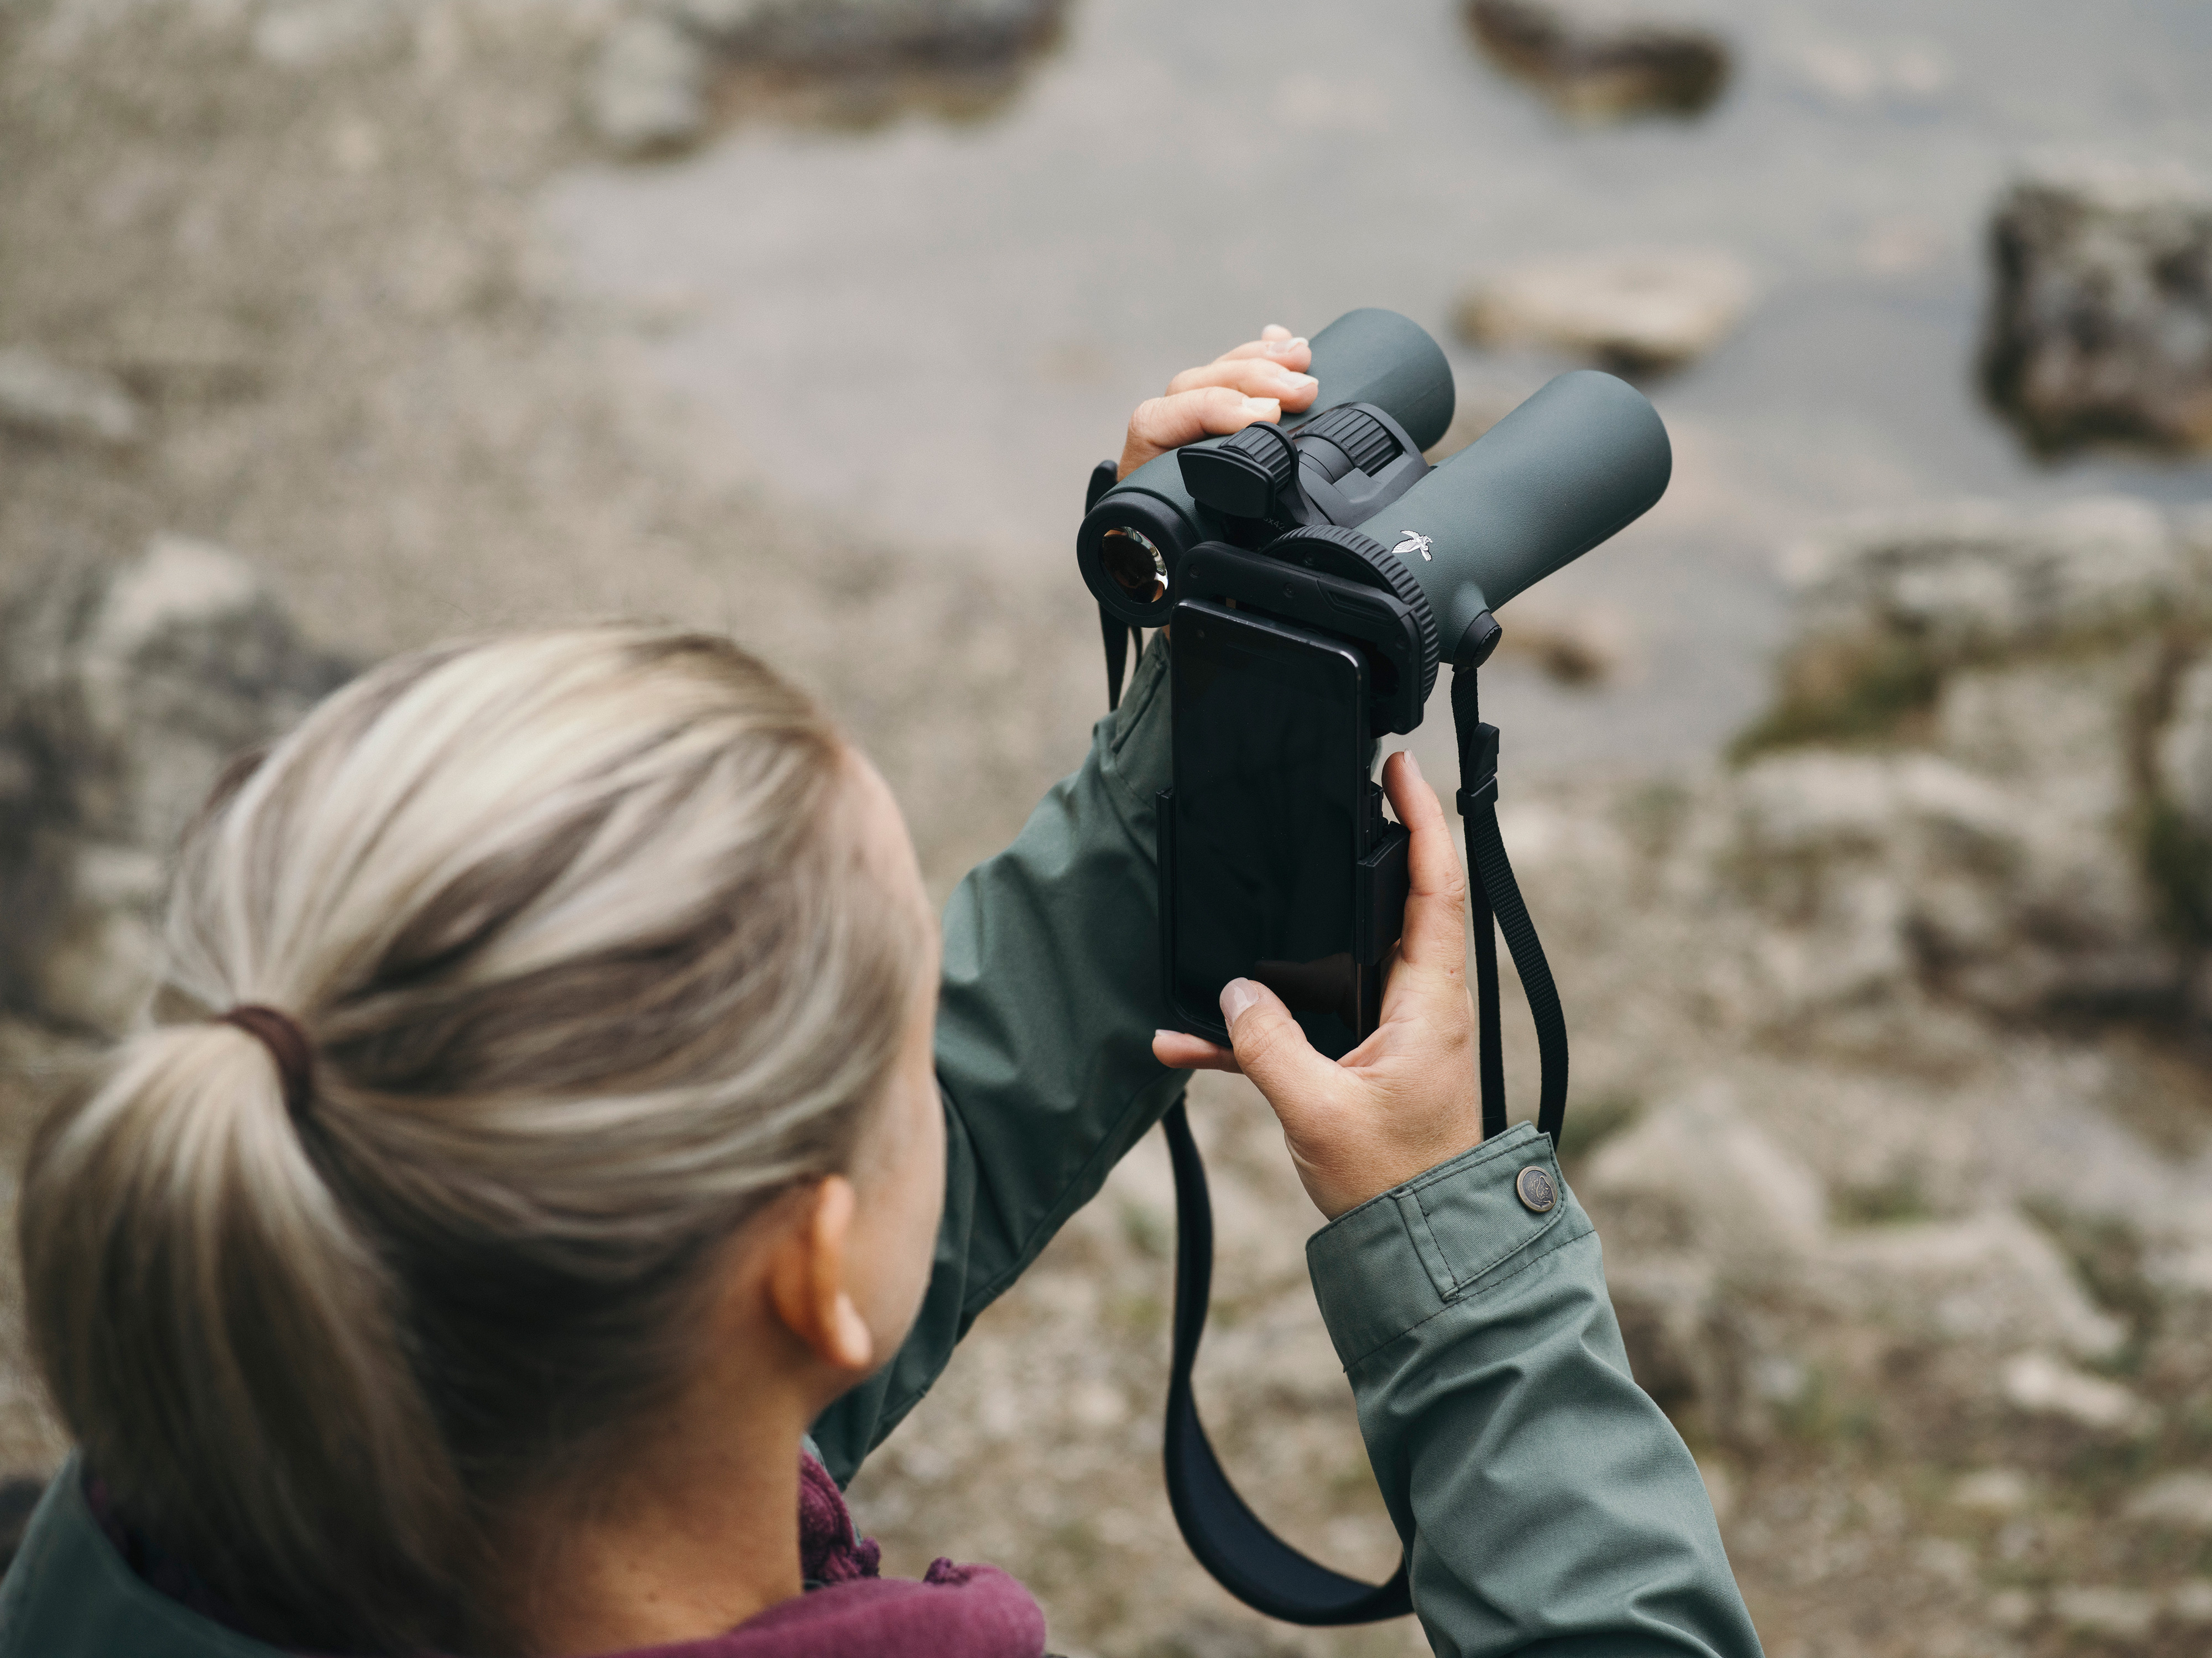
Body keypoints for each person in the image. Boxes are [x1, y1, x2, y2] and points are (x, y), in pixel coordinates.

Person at [0, 330, 1762, 1658]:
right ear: (808, 1271)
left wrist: (1204, 737)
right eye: (894, 1018)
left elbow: (865, 1165)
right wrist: (1463, 1272)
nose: (939, 1045)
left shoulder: (171, 1510)